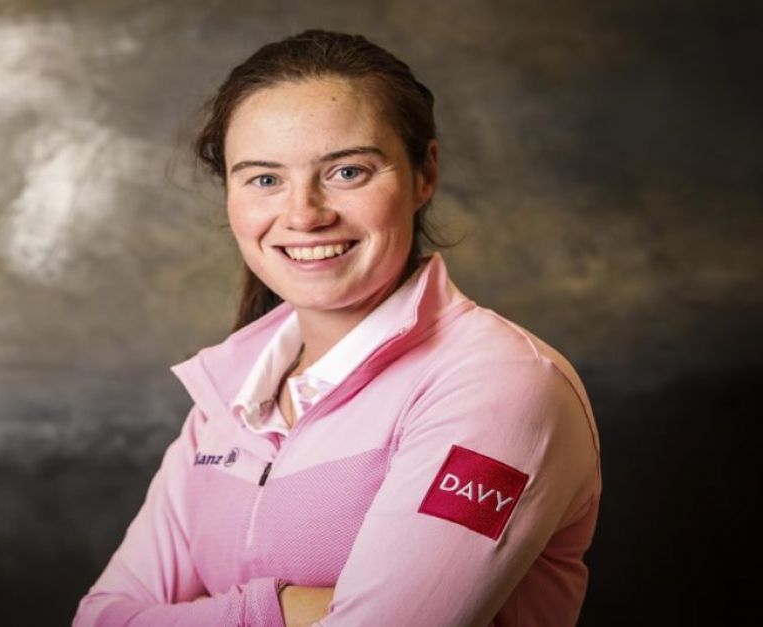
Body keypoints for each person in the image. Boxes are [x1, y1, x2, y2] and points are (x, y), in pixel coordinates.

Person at [73, 29, 600, 627]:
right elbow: (100, 619)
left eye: (347, 172)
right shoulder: (229, 398)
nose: (305, 215)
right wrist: (292, 612)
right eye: (265, 179)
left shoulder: (500, 386)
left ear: (424, 173)